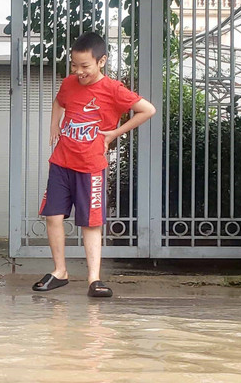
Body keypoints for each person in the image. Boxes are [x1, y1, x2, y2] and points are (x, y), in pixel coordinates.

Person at [33, 32, 156, 298]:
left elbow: (148, 109)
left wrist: (115, 133)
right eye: (74, 66)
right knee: (52, 216)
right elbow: (59, 101)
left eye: (85, 66)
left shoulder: (113, 89)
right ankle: (60, 271)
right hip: (61, 162)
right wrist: (54, 123)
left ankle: (94, 279)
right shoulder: (69, 83)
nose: (78, 72)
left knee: (91, 223)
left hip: (91, 167)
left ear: (102, 61)